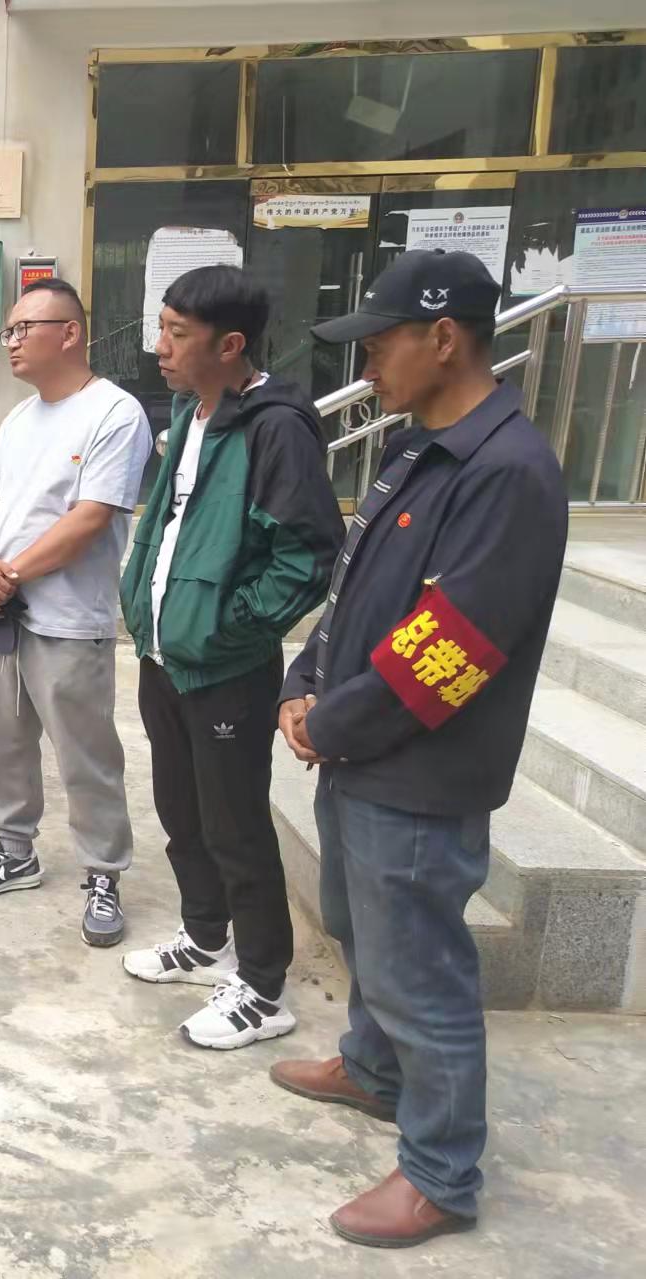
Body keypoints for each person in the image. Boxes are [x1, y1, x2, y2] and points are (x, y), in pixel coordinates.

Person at [270, 250, 567, 1247]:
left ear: (443, 338)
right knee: (362, 931)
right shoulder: (414, 448)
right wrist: (301, 681)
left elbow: (453, 646)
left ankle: (440, 1172)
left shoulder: (507, 472)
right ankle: (373, 1068)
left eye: (380, 342)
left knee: (421, 973)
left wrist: (330, 722)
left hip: (418, 774)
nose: (367, 364)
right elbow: (352, 594)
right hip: (360, 753)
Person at [117, 265, 344, 1047]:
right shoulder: (192, 412)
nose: (160, 347)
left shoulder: (276, 428)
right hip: (165, 656)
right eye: (162, 327)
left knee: (235, 825)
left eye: (178, 333)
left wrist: (228, 627)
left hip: (224, 667)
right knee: (182, 813)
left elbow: (307, 555)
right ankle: (206, 936)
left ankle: (263, 984)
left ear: (231, 344)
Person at [0, 278, 151, 949]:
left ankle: (103, 871)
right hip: (2, 612)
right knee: (2, 738)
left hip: (67, 618)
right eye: (7, 331)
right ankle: (15, 850)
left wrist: (8, 573)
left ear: (69, 333)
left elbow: (90, 519)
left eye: (22, 329)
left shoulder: (114, 413)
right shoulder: (19, 418)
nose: (10, 341)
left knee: (85, 753)